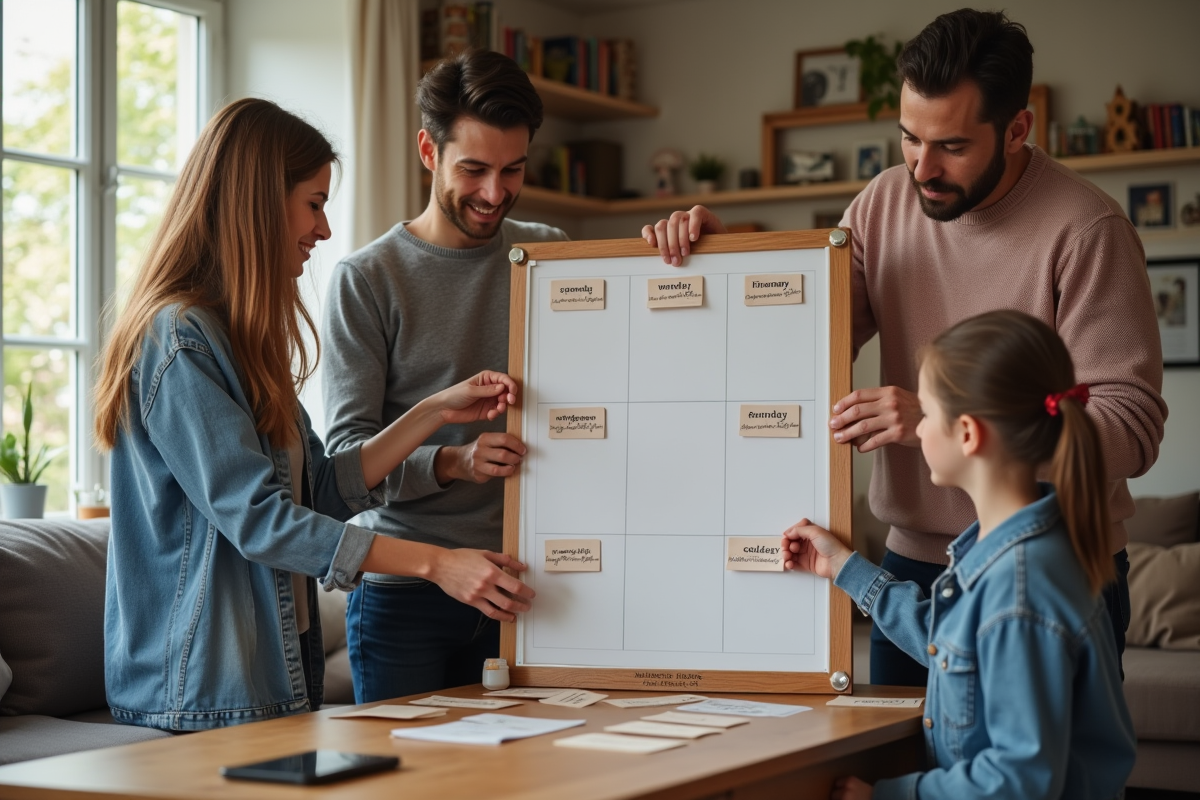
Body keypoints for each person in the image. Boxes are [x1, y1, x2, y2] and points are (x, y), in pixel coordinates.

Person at [644, 9, 1165, 686]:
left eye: (951, 145)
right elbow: (791, 346)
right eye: (909, 139)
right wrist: (729, 263)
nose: (923, 168)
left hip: (1054, 566)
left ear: (1016, 129)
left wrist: (938, 421)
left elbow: (1130, 432)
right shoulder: (880, 204)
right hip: (912, 571)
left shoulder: (1088, 229)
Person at [93, 98, 534, 731]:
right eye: (315, 203)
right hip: (204, 691)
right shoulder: (180, 338)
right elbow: (262, 521)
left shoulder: (239, 338)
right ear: (258, 203)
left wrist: (434, 412)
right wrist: (436, 562)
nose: (324, 230)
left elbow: (321, 489)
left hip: (269, 676)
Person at [783, 310, 1136, 800]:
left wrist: (889, 795)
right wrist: (842, 567)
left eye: (927, 414)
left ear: (968, 434)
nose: (919, 431)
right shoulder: (1013, 550)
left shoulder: (1021, 588)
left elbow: (1019, 779)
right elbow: (950, 641)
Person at [321, 49, 568, 703]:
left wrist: (690, 244)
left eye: (512, 169)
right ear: (429, 151)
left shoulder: (550, 254)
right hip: (407, 597)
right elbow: (347, 464)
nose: (495, 193)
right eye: (475, 169)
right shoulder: (367, 280)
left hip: (536, 587)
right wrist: (451, 462)